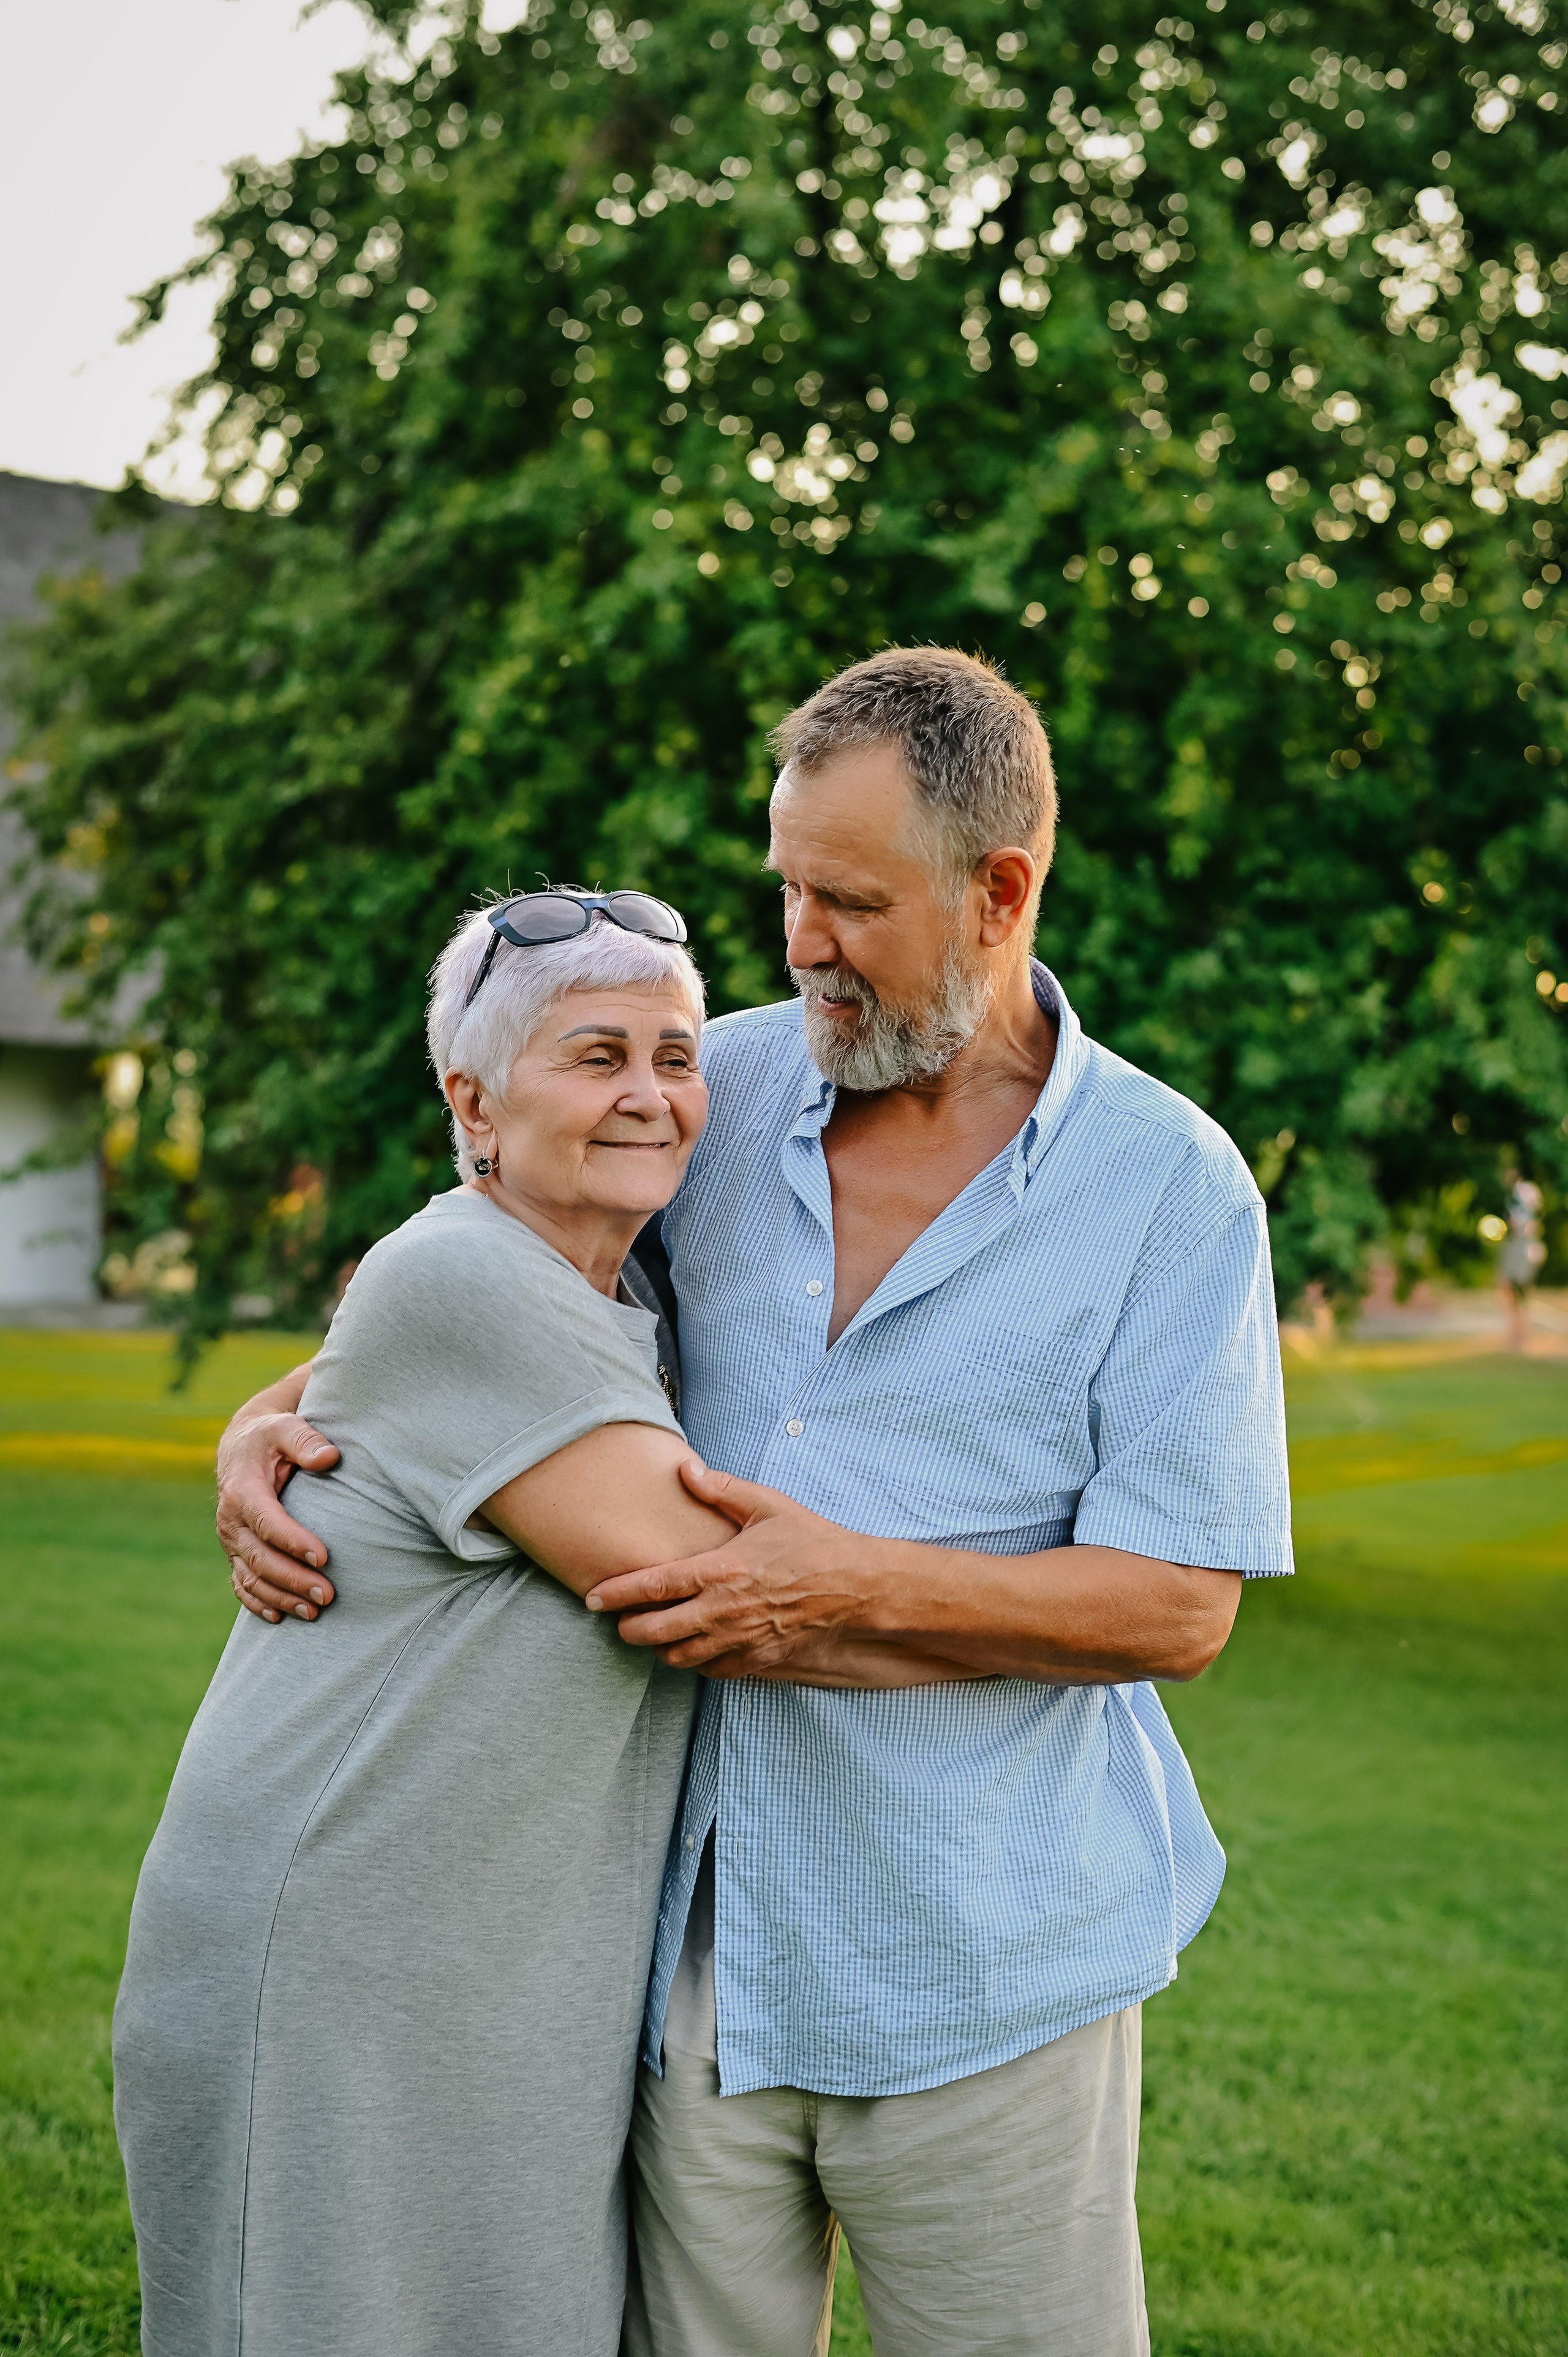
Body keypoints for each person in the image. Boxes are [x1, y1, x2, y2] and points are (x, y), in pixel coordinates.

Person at [218, 648, 1292, 2357]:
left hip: (987, 1976)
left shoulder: (1171, 1188)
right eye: (787, 887)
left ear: (999, 891)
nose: (800, 941)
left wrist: (848, 1587)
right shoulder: (706, 1091)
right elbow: (484, 1292)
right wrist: (270, 1415)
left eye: (851, 902)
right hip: (683, 1961)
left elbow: (1176, 1607)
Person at [116, 894, 967, 2357]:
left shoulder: (627, 1285)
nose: (650, 1094)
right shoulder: (463, 1274)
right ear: (474, 1103)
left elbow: (366, 1368)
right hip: (342, 1961)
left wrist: (257, 1414)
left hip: (497, 1959)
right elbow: (723, 1591)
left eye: (675, 1056)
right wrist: (1083, 1619)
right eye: (595, 1056)